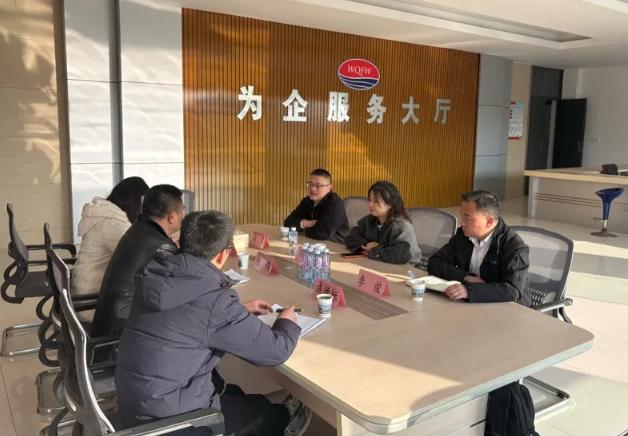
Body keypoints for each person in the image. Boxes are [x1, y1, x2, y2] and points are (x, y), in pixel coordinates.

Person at [115, 210, 311, 436]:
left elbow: (189, 317)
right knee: (265, 414)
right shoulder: (214, 301)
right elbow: (275, 351)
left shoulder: (156, 274)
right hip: (171, 421)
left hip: (137, 402)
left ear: (181, 241)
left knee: (233, 391)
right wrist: (287, 322)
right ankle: (284, 423)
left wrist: (237, 310)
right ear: (222, 255)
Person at [91, 184, 184, 338]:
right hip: (120, 332)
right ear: (172, 217)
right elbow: (180, 286)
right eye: (182, 211)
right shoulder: (161, 246)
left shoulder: (139, 228)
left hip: (108, 321)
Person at [427, 190, 531, 306]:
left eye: (467, 217)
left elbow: (512, 291)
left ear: (489, 221)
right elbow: (434, 262)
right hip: (474, 304)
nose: (462, 223)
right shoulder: (464, 235)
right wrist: (466, 277)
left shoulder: (514, 247)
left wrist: (469, 291)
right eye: (461, 215)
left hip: (510, 309)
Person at [71, 176, 149, 297]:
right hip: (93, 296)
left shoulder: (105, 216)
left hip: (84, 288)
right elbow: (138, 259)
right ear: (135, 204)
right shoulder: (114, 225)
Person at [344, 181, 421, 264]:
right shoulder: (369, 220)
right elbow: (350, 238)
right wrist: (367, 244)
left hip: (405, 268)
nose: (370, 204)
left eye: (376, 201)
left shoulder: (401, 225)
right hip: (379, 262)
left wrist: (375, 249)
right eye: (369, 200)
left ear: (390, 203)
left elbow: (401, 255)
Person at [284, 168, 349, 243]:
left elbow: (321, 234)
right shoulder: (307, 201)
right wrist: (307, 223)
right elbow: (288, 223)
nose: (313, 189)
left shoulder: (335, 203)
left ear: (329, 188)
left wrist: (301, 227)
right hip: (313, 243)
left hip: (336, 245)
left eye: (318, 185)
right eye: (310, 184)